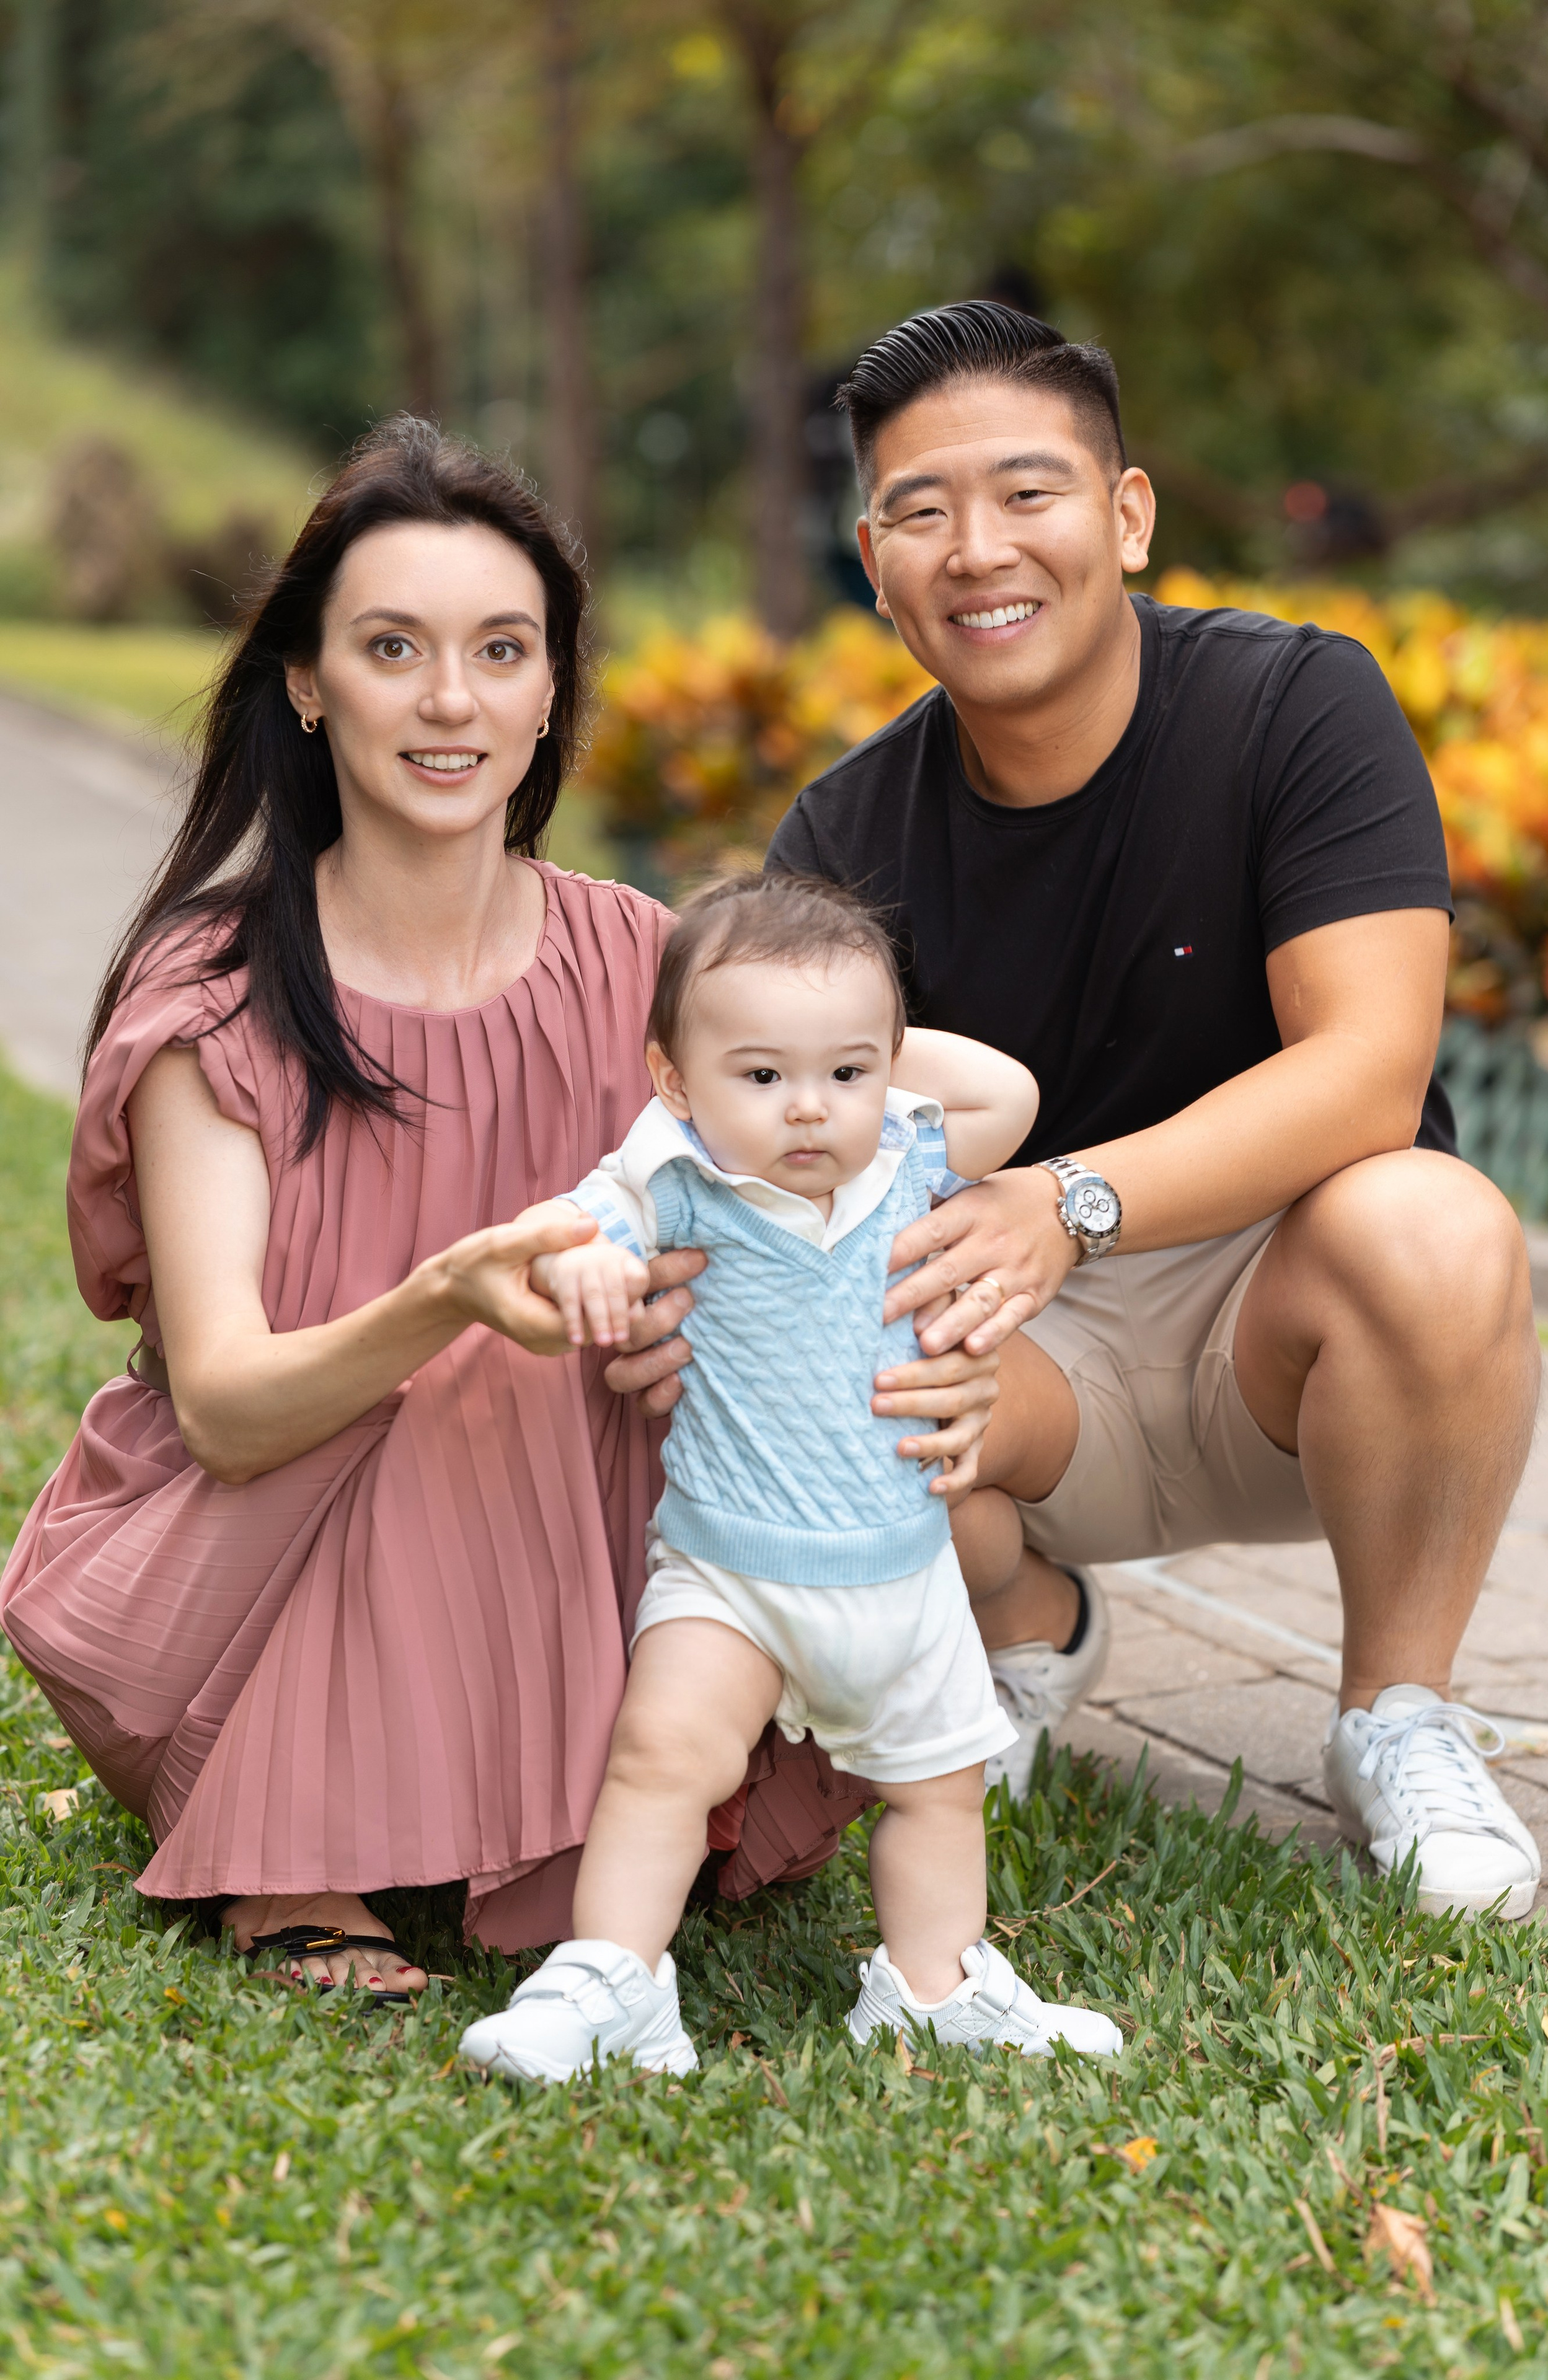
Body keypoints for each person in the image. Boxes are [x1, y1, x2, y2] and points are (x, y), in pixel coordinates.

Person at [0, 420, 999, 1998]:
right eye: (393, 648)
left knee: (648, 1402)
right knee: (485, 1365)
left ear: (550, 693)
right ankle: (301, 1851)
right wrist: (443, 1297)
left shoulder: (648, 971)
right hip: (250, 1563)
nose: (450, 700)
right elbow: (231, 1408)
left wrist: (973, 1302)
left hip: (571, 1538)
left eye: (500, 651)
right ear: (310, 684)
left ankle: (586, 1792)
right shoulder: (219, 994)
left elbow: (881, 1118)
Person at [762, 300, 1542, 1921]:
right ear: (874, 555)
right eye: (923, 509)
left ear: (1126, 515)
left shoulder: (1295, 707)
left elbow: (1371, 1069)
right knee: (834, 1362)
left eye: (1028, 492)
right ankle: (1028, 1630)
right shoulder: (841, 841)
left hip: (1297, 1327)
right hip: (1029, 1365)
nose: (979, 549)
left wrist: (1068, 1204)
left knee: (1435, 1217)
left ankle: (1395, 1713)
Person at [458, 873, 1123, 2080]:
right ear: (676, 1077)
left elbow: (1009, 1096)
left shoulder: (911, 1152)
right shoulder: (667, 1172)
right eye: (760, 1077)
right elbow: (581, 1233)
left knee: (937, 1791)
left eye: (844, 1075)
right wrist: (594, 1273)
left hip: (902, 1578)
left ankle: (934, 1988)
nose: (809, 1110)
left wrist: (835, 1028)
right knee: (661, 1759)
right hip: (731, 1570)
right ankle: (614, 1979)